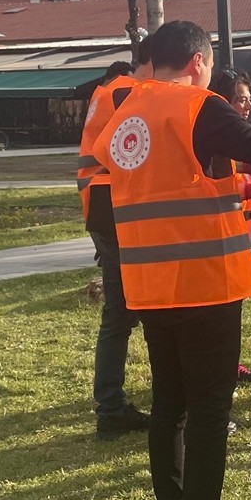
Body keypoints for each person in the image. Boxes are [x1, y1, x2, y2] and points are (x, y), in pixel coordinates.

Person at [95, 20, 251, 500]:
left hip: (149, 283)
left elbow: (177, 182)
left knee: (169, 403)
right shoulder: (197, 106)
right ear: (198, 62)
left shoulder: (125, 115)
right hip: (204, 280)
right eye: (211, 67)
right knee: (211, 408)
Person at [77, 55, 145, 440]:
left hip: (102, 209)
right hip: (120, 208)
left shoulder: (102, 95)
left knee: (118, 315)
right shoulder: (126, 91)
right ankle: (115, 407)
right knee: (140, 309)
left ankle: (110, 408)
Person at [211, 69, 251, 385]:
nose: (248, 107)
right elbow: (223, 187)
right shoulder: (215, 140)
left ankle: (229, 365)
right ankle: (223, 369)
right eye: (241, 100)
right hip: (215, 240)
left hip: (235, 236)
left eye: (249, 100)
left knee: (232, 307)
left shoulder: (237, 139)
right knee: (221, 309)